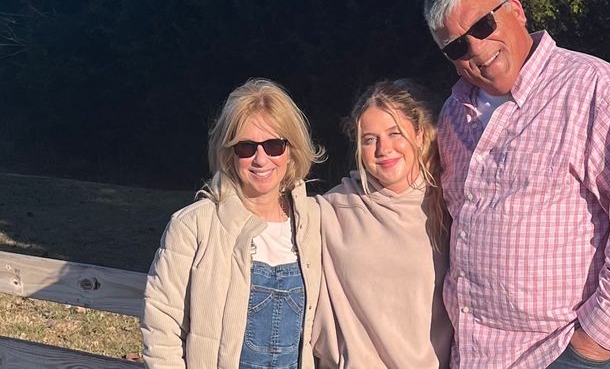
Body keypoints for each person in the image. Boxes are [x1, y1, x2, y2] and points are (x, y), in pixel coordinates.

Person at [423, 0, 610, 368]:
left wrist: (595, 343)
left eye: (483, 25)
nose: (476, 48)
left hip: (559, 354)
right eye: (457, 46)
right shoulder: (455, 114)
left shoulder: (597, 89)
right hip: (474, 355)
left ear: (516, 11)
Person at [141, 78, 325, 368]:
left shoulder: (314, 222)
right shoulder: (193, 226)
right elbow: (161, 327)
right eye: (246, 147)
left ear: (291, 150)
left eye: (274, 145)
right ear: (229, 152)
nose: (261, 159)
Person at [312, 80, 453, 368]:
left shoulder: (451, 205)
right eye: (369, 139)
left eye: (394, 133)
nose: (383, 149)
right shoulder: (333, 209)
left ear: (419, 134)